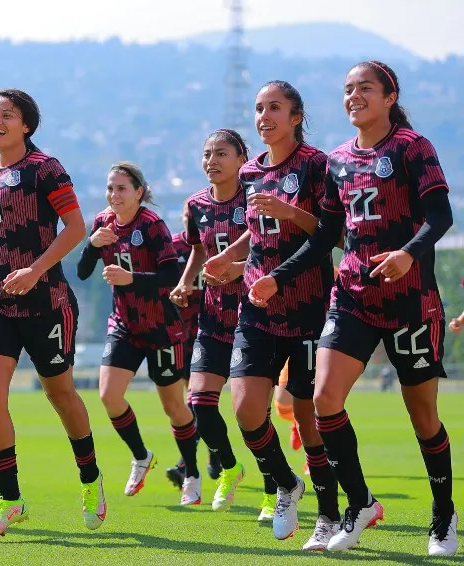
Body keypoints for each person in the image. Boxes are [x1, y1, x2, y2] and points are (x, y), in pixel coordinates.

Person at [252, 60, 458, 556]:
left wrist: (409, 253)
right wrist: (277, 279)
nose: (354, 96)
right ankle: (359, 502)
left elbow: (441, 215)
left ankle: (443, 516)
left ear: (390, 97)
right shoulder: (337, 161)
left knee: (422, 414)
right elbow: (326, 234)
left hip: (411, 302)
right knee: (323, 399)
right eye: (347, 90)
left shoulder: (413, 148)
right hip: (352, 299)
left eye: (364, 88)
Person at [0, 89, 106, 538]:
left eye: (7, 115)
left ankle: (91, 478)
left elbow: (76, 227)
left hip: (45, 301)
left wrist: (36, 271)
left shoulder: (45, 170)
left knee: (61, 396)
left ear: (26, 126)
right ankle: (10, 500)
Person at [204, 81, 340, 547]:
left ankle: (328, 515)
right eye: (259, 108)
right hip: (256, 305)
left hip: (306, 308)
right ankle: (285, 483)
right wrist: (231, 258)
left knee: (308, 415)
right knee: (244, 409)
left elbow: (330, 234)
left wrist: (289, 211)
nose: (264, 116)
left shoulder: (318, 165)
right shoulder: (249, 172)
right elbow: (254, 228)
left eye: (274, 108)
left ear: (296, 116)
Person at [76, 161, 200, 505]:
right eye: (110, 188)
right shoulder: (102, 223)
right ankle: (142, 456)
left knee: (175, 407)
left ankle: (191, 473)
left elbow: (171, 275)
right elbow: (83, 272)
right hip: (125, 325)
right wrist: (91, 244)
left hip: (161, 327)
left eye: (121, 188)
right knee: (108, 396)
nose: (114, 195)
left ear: (138, 193)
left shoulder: (152, 225)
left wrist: (132, 279)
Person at [169, 129, 252, 514]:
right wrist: (186, 281)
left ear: (241, 158)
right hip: (213, 318)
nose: (212, 160)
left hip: (256, 316)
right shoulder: (196, 205)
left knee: (253, 413)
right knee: (200, 403)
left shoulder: (255, 196)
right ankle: (230, 468)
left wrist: (240, 268)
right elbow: (199, 249)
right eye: (207, 154)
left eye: (221, 153)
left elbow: (273, 246)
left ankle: (276, 487)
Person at [165, 229, 223, 488]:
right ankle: (214, 453)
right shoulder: (172, 248)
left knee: (199, 401)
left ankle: (187, 464)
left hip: (216, 332)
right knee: (198, 401)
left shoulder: (220, 242)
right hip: (184, 336)